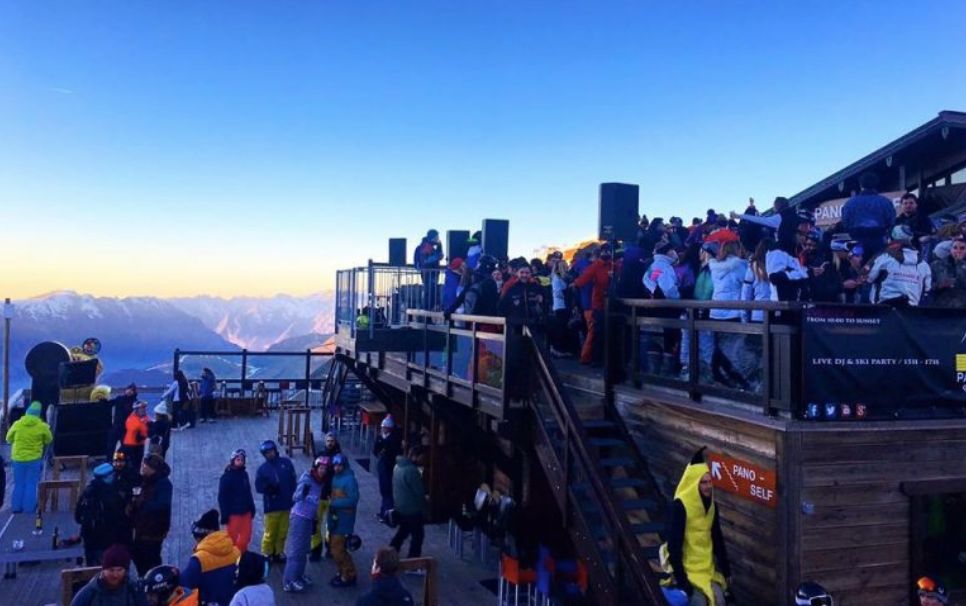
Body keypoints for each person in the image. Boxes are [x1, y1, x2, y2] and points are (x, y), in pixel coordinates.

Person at [661, 449, 731, 606]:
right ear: (694, 484)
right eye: (703, 482)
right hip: (686, 570)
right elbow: (674, 546)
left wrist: (726, 571)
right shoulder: (680, 507)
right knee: (698, 602)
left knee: (719, 599)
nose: (708, 486)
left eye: (709, 481)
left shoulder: (712, 506)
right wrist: (682, 580)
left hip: (706, 569)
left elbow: (717, 538)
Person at [283, 456, 328, 593]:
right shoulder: (307, 478)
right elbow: (295, 497)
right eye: (321, 468)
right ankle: (288, 581)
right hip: (299, 517)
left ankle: (299, 575)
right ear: (316, 467)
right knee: (296, 550)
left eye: (325, 469)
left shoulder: (320, 482)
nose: (323, 471)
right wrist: (302, 493)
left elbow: (314, 502)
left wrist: (314, 517)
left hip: (308, 517)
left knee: (304, 549)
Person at [182, 509, 240, 606]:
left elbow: (183, 585)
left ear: (201, 537)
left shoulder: (198, 560)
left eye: (196, 537)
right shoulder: (236, 552)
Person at [5, 400, 52, 514]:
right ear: (38, 413)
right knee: (31, 484)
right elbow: (49, 440)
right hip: (34, 459)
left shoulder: (17, 424)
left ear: (27, 412)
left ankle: (16, 507)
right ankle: (29, 509)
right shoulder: (42, 426)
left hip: (18, 459)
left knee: (18, 483)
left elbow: (8, 439)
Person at [75, 463, 127, 565]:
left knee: (91, 565)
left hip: (89, 538)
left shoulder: (87, 492)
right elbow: (120, 517)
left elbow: (77, 516)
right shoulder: (112, 494)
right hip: (106, 539)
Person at [255, 439, 297, 564]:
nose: (270, 454)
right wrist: (268, 489)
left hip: (286, 504)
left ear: (275, 450)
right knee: (270, 532)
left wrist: (293, 495)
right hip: (271, 506)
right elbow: (258, 487)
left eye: (271, 451)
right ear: (264, 455)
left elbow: (293, 479)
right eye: (267, 453)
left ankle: (279, 552)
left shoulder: (286, 463)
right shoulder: (262, 469)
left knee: (283, 531)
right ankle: (267, 553)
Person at [867, 225, 932, 306]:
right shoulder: (924, 264)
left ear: (890, 239)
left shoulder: (883, 257)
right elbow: (927, 289)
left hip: (883, 309)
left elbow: (868, 278)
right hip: (912, 312)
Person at [130, 454, 172, 576]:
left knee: (151, 559)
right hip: (141, 528)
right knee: (138, 556)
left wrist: (142, 504)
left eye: (145, 465)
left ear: (153, 468)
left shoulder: (163, 484)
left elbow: (163, 506)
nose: (142, 467)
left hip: (153, 530)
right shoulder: (145, 480)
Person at [841, 172, 896, 264]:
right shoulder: (885, 202)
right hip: (879, 241)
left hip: (856, 241)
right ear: (876, 184)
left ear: (860, 185)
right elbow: (891, 222)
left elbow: (845, 223)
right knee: (880, 269)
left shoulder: (850, 203)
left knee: (858, 271)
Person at [573, 244, 613, 366]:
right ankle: (593, 358)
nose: (606, 253)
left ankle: (600, 358)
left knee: (603, 333)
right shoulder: (594, 266)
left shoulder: (613, 265)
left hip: (609, 304)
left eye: (608, 251)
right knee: (596, 332)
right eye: (604, 251)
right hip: (597, 305)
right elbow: (580, 281)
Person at [70, 544, 146, 606]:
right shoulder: (89, 593)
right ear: (103, 570)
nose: (115, 575)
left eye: (119, 570)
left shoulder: (134, 590)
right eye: (111, 570)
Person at [390, 445, 427, 559]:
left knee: (403, 532)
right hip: (412, 509)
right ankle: (413, 560)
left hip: (400, 506)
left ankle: (391, 551)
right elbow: (419, 492)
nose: (423, 460)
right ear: (416, 456)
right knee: (418, 536)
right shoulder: (412, 471)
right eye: (422, 457)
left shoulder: (397, 466)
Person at [328, 453, 360, 588]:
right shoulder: (336, 477)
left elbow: (353, 500)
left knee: (338, 549)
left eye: (339, 465)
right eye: (335, 465)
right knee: (336, 548)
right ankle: (343, 571)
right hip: (335, 519)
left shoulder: (350, 480)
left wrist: (334, 503)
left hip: (344, 520)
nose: (336, 468)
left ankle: (349, 575)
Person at [218, 449, 257, 552]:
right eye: (238, 459)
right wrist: (224, 514)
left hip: (246, 512)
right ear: (233, 460)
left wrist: (252, 507)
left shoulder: (244, 475)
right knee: (232, 539)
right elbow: (222, 497)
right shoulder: (226, 478)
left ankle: (241, 556)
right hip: (233, 514)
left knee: (246, 538)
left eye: (242, 460)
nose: (240, 461)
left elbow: (248, 492)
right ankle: (232, 559)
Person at [374, 416, 403, 522]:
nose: (382, 429)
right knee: (384, 490)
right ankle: (383, 511)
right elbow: (375, 450)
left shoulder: (393, 439)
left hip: (389, 467)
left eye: (384, 427)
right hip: (382, 466)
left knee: (387, 491)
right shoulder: (380, 437)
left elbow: (394, 453)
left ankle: (387, 515)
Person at [930, 236, 966, 307]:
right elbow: (927, 286)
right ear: (951, 249)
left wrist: (960, 263)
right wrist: (939, 285)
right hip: (941, 307)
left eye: (962, 248)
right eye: (955, 248)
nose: (958, 251)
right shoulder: (936, 265)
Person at [414, 229, 444, 310]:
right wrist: (437, 256)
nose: (438, 239)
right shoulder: (426, 246)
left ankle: (427, 315)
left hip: (431, 274)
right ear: (432, 238)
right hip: (429, 274)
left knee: (431, 294)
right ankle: (426, 316)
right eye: (437, 237)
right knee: (429, 294)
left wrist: (440, 247)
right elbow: (425, 260)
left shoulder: (429, 246)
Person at [106, 384, 138, 458]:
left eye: (132, 390)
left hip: (126, 429)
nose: (129, 391)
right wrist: (104, 400)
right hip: (116, 427)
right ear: (125, 390)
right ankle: (109, 461)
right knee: (110, 446)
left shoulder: (135, 402)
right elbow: (110, 403)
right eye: (129, 389)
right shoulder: (119, 398)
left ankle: (120, 461)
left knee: (124, 447)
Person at [122, 401, 150, 467]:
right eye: (142, 408)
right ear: (136, 410)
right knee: (132, 463)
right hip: (130, 445)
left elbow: (149, 427)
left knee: (139, 462)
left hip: (140, 444)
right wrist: (144, 424)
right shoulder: (131, 418)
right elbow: (134, 428)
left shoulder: (145, 417)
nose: (144, 410)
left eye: (144, 408)